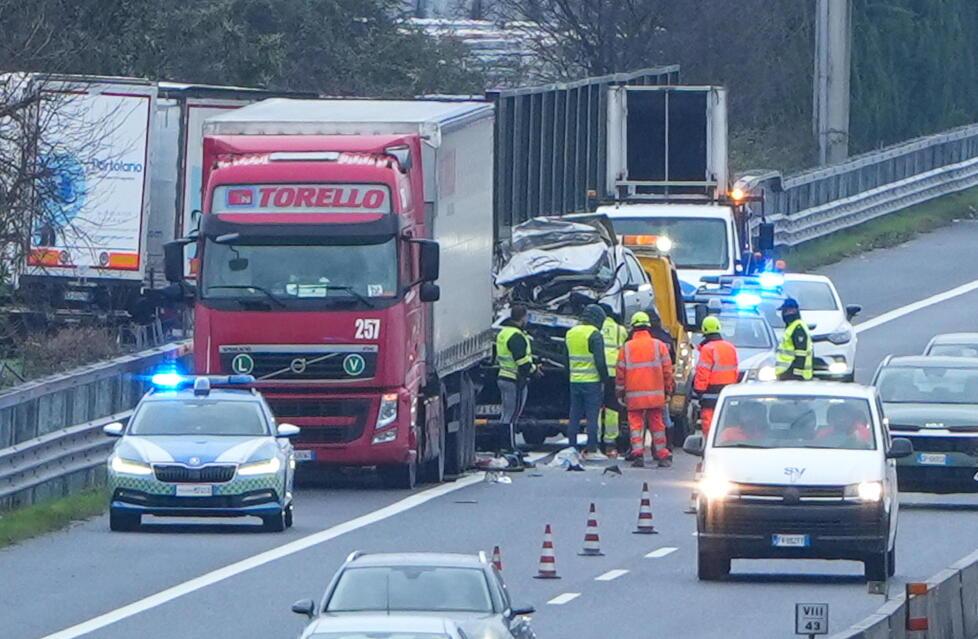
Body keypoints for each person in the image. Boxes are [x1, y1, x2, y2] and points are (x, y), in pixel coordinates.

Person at [617, 311, 675, 467]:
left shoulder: (626, 348)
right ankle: (662, 455)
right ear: (648, 327)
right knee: (657, 424)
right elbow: (667, 371)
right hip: (656, 395)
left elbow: (620, 374)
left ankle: (638, 455)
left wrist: (620, 393)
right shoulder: (659, 346)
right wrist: (668, 390)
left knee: (635, 425)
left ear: (633, 328)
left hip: (634, 395)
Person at [565, 304, 609, 459]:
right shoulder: (594, 334)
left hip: (574, 381)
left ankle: (572, 447)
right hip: (592, 382)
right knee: (592, 417)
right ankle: (591, 449)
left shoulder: (570, 333)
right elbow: (600, 361)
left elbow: (566, 359)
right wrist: (606, 380)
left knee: (574, 415)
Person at [495, 304, 537, 454]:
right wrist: (534, 370)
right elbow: (522, 362)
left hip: (503, 376)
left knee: (505, 414)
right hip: (514, 379)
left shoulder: (504, 333)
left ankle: (501, 446)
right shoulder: (517, 336)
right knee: (512, 415)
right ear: (523, 317)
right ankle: (510, 447)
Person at [693, 316, 739, 438]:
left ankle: (709, 444)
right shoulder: (730, 347)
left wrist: (698, 390)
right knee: (726, 421)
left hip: (710, 392)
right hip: (728, 390)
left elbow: (703, 372)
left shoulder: (707, 349)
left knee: (709, 421)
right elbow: (735, 370)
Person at [598, 304, 628, 458]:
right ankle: (610, 441)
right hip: (614, 372)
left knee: (596, 408)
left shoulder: (596, 328)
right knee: (612, 408)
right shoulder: (619, 330)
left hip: (597, 372)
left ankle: (595, 441)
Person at [775, 298, 813, 381]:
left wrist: (797, 373)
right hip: (786, 372)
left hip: (793, 374)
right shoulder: (791, 326)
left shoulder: (798, 327)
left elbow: (801, 352)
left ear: (794, 310)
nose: (784, 314)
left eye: (786, 310)